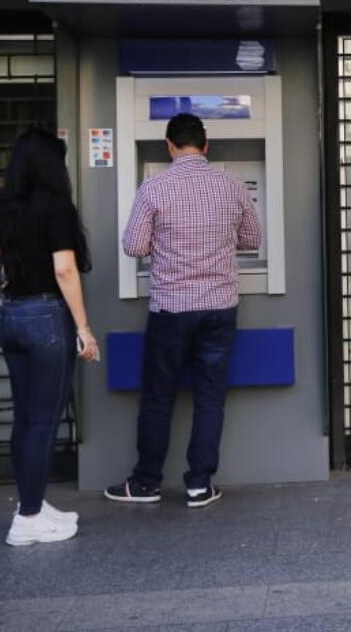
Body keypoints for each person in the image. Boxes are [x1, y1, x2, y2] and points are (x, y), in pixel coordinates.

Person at [0, 128, 100, 547]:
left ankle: (31, 503)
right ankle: (28, 519)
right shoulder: (56, 208)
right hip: (46, 318)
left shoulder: (7, 207)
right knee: (43, 422)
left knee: (25, 419)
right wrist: (83, 329)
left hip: (11, 318)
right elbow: (65, 270)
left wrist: (4, 255)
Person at [105, 113, 260, 508]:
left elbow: (134, 247)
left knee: (159, 395)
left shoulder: (154, 187)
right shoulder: (233, 185)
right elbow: (251, 238)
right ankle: (199, 485)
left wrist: (167, 245)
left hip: (172, 308)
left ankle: (145, 484)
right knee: (211, 395)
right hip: (220, 306)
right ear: (205, 146)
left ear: (169, 145)